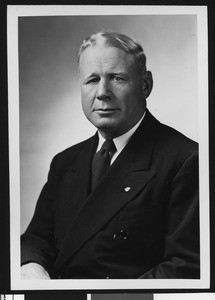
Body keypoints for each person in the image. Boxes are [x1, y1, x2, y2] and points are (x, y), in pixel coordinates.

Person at [21, 31, 200, 279]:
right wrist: (32, 268)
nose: (102, 92)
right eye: (92, 80)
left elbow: (186, 267)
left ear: (145, 85)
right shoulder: (65, 162)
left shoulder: (185, 159)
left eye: (117, 78)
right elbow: (37, 238)